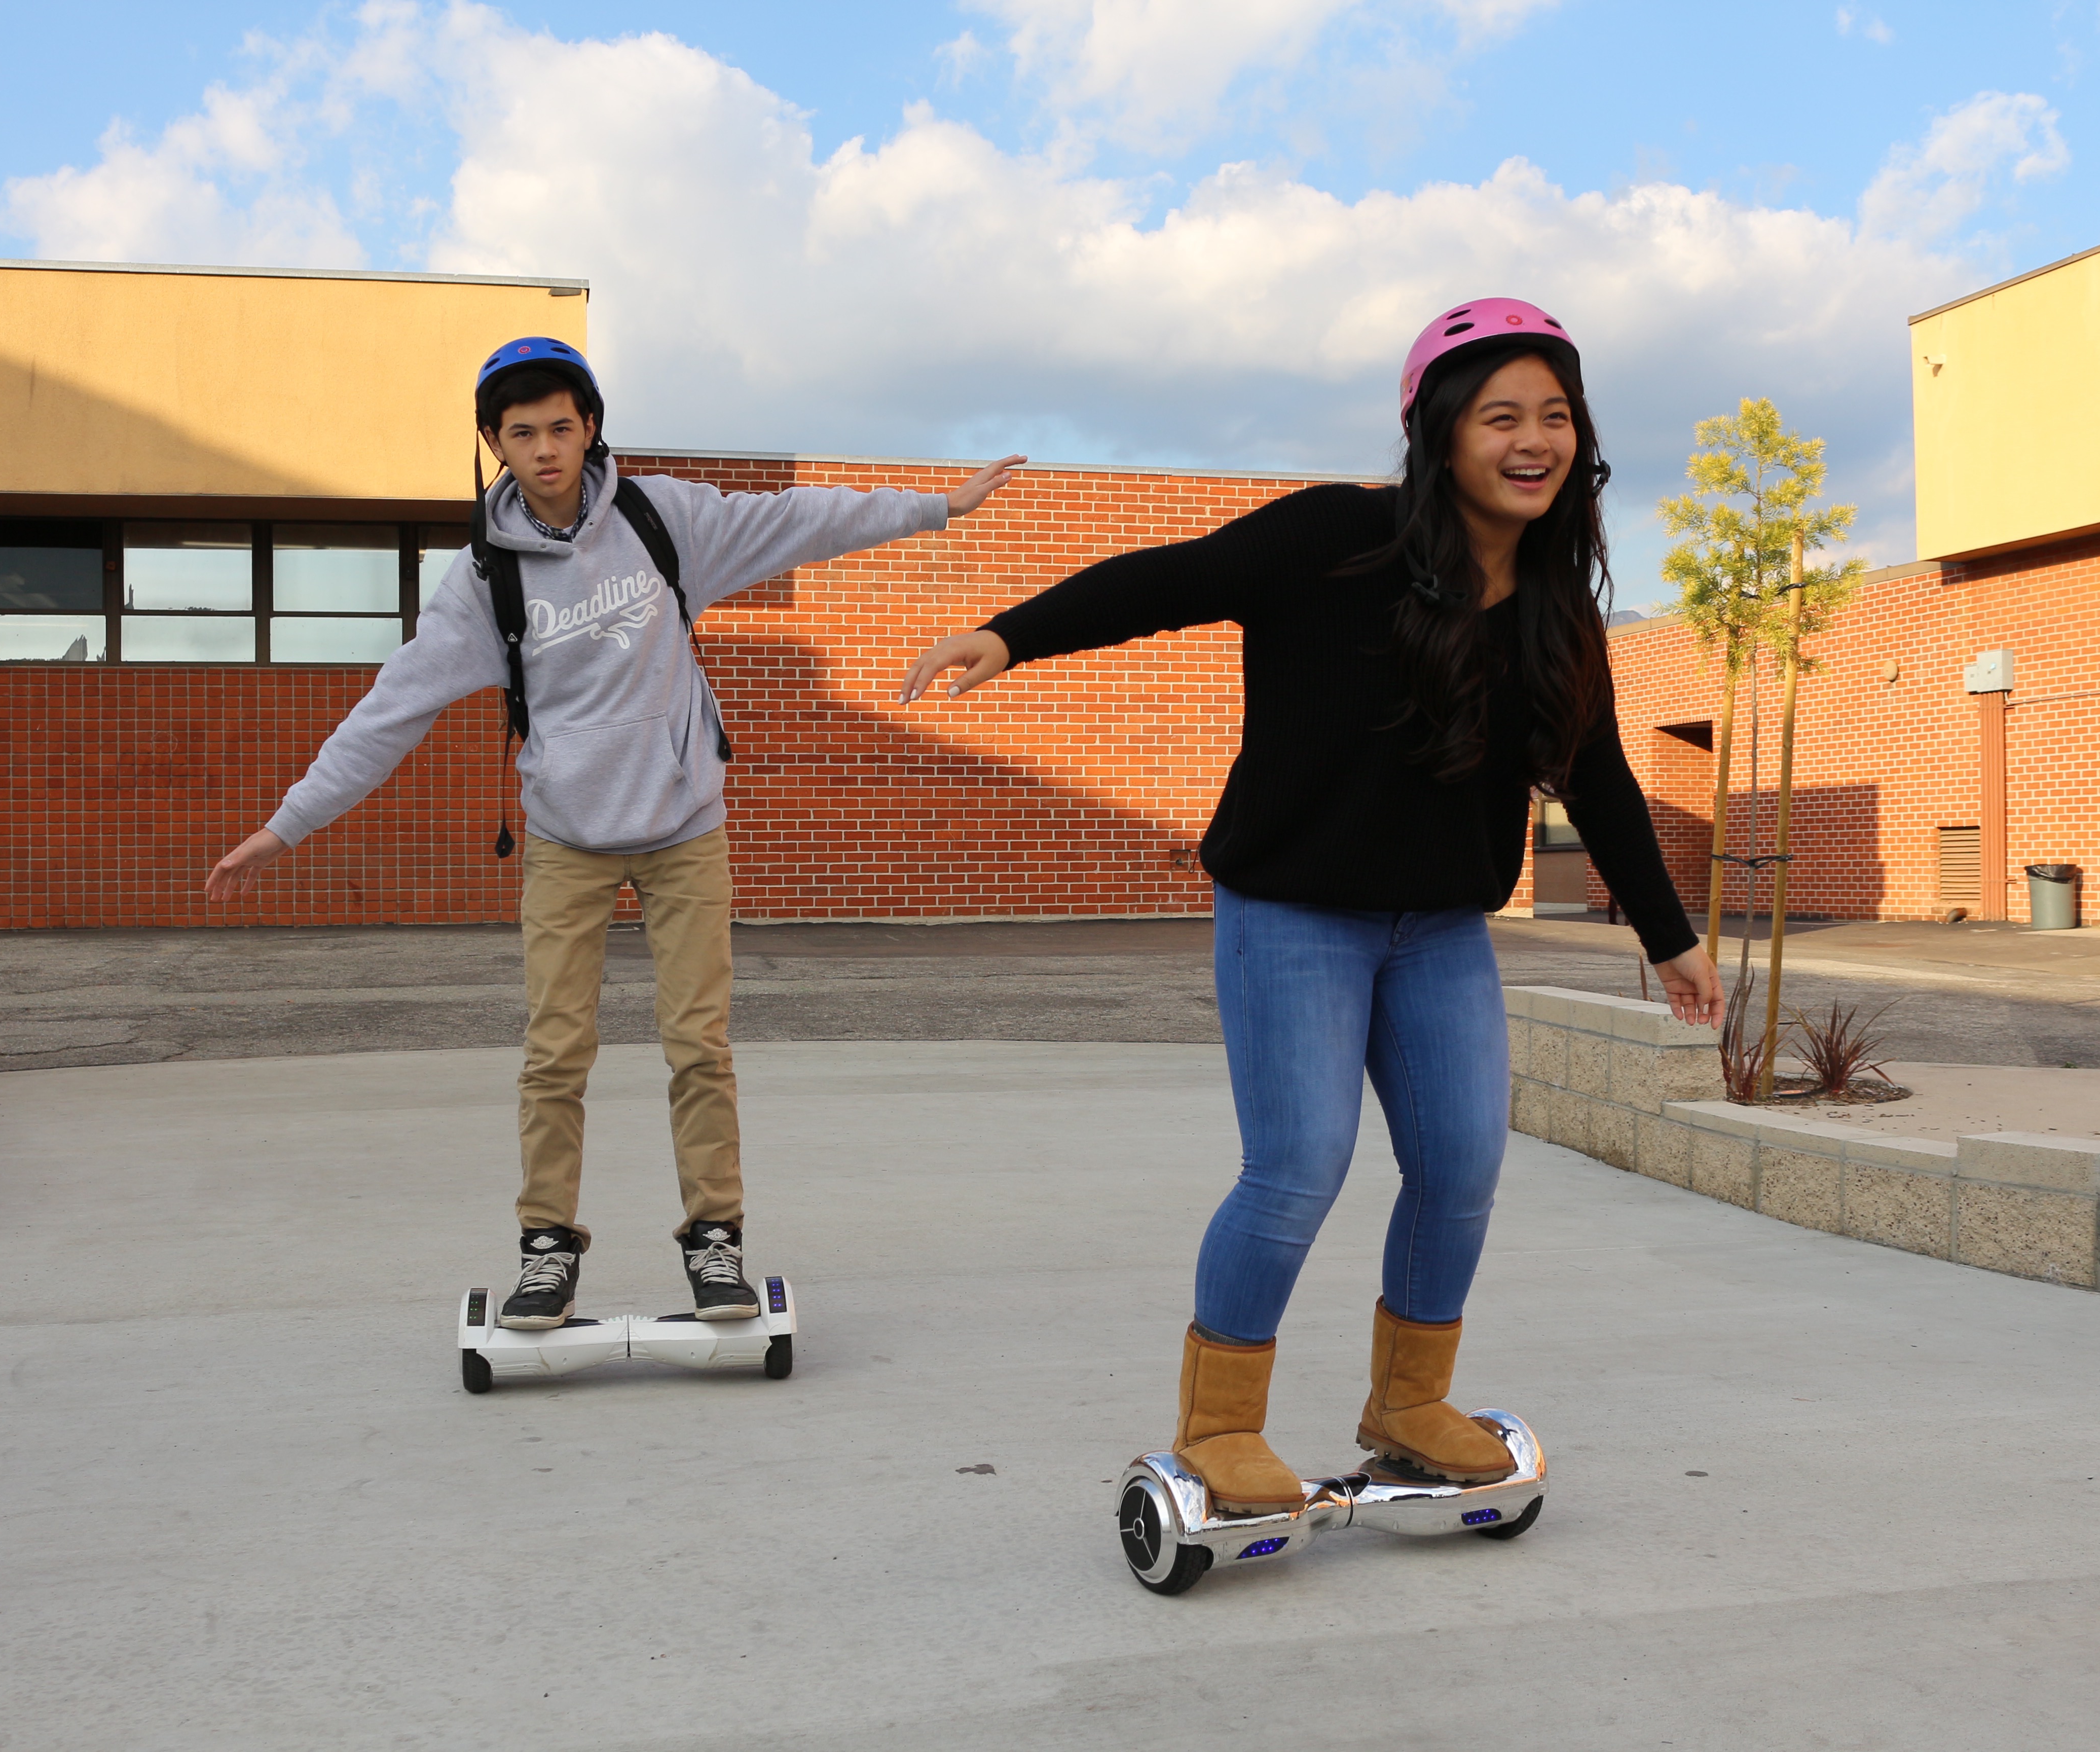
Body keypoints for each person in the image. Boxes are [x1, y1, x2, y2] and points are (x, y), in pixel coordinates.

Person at [900, 300, 1723, 1514]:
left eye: (1555, 416)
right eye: (1502, 415)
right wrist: (1010, 635)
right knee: (1296, 1167)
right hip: (1293, 914)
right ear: (1439, 432)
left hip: (1440, 930)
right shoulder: (1340, 536)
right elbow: (1169, 583)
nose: (1533, 438)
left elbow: (1597, 777)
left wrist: (1672, 938)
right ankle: (1222, 1425)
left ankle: (1407, 1404)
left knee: (1460, 1164)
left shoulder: (1556, 608)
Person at [208, 336, 1021, 1327]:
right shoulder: (482, 582)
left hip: (685, 830)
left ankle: (714, 1243)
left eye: (561, 426)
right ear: (495, 447)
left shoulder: (663, 517)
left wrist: (940, 505)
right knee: (555, 1053)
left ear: (589, 426)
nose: (546, 449)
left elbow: (801, 519)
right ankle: (548, 1250)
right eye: (522, 435)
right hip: (566, 843)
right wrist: (287, 826)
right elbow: (390, 710)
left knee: (699, 1045)